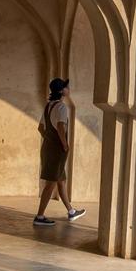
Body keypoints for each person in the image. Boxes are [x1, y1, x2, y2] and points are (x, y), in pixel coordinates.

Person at [34, 78, 85, 227]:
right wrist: (64, 144)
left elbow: (41, 128)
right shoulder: (61, 107)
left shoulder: (48, 106)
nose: (68, 89)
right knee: (51, 183)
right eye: (66, 87)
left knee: (61, 181)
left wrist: (49, 139)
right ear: (62, 91)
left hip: (48, 147)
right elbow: (61, 126)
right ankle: (39, 216)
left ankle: (71, 212)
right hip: (57, 149)